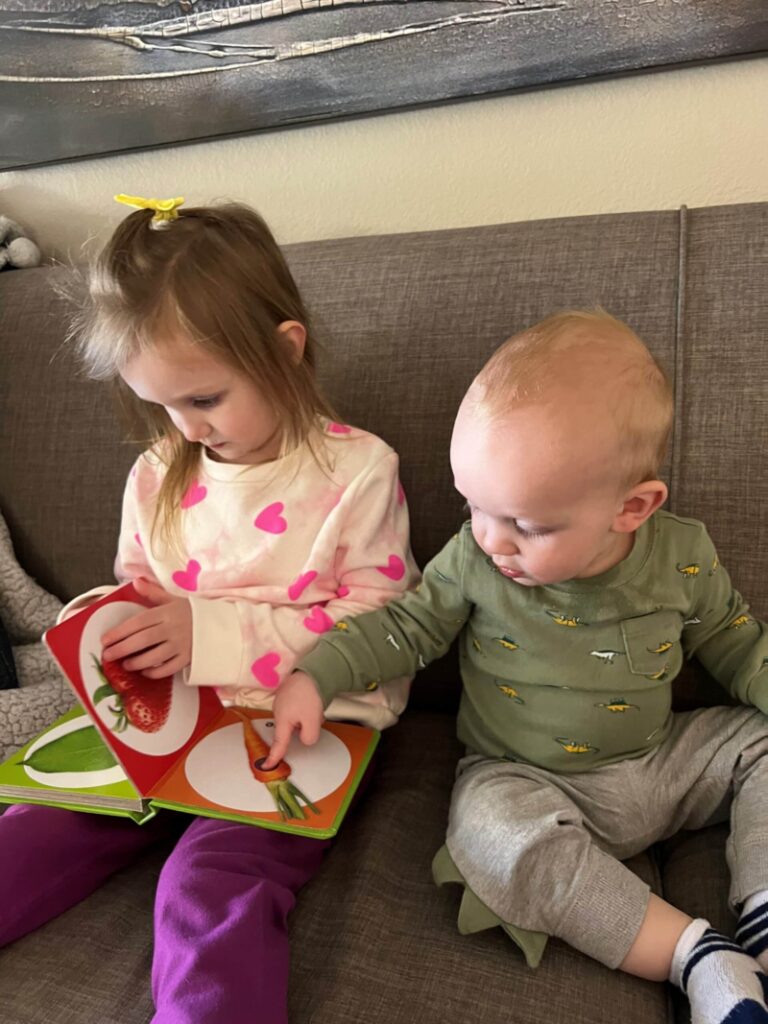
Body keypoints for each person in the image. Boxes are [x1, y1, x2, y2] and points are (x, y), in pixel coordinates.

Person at [267, 310, 768, 1024]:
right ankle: (696, 956)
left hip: (660, 765)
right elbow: (409, 626)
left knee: (760, 743)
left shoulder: (682, 555)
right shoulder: (475, 558)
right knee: (488, 834)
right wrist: (315, 675)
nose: (492, 539)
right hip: (519, 778)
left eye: (529, 526)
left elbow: (735, 640)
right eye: (477, 507)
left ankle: (764, 911)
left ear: (632, 508)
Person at [0, 197, 418, 1024]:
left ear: (285, 352)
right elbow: (137, 586)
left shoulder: (357, 471)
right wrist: (111, 624)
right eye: (160, 407)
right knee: (33, 829)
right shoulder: (161, 470)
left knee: (206, 888)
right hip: (168, 725)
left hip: (298, 731)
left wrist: (212, 633)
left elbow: (384, 632)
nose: (184, 429)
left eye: (203, 400)